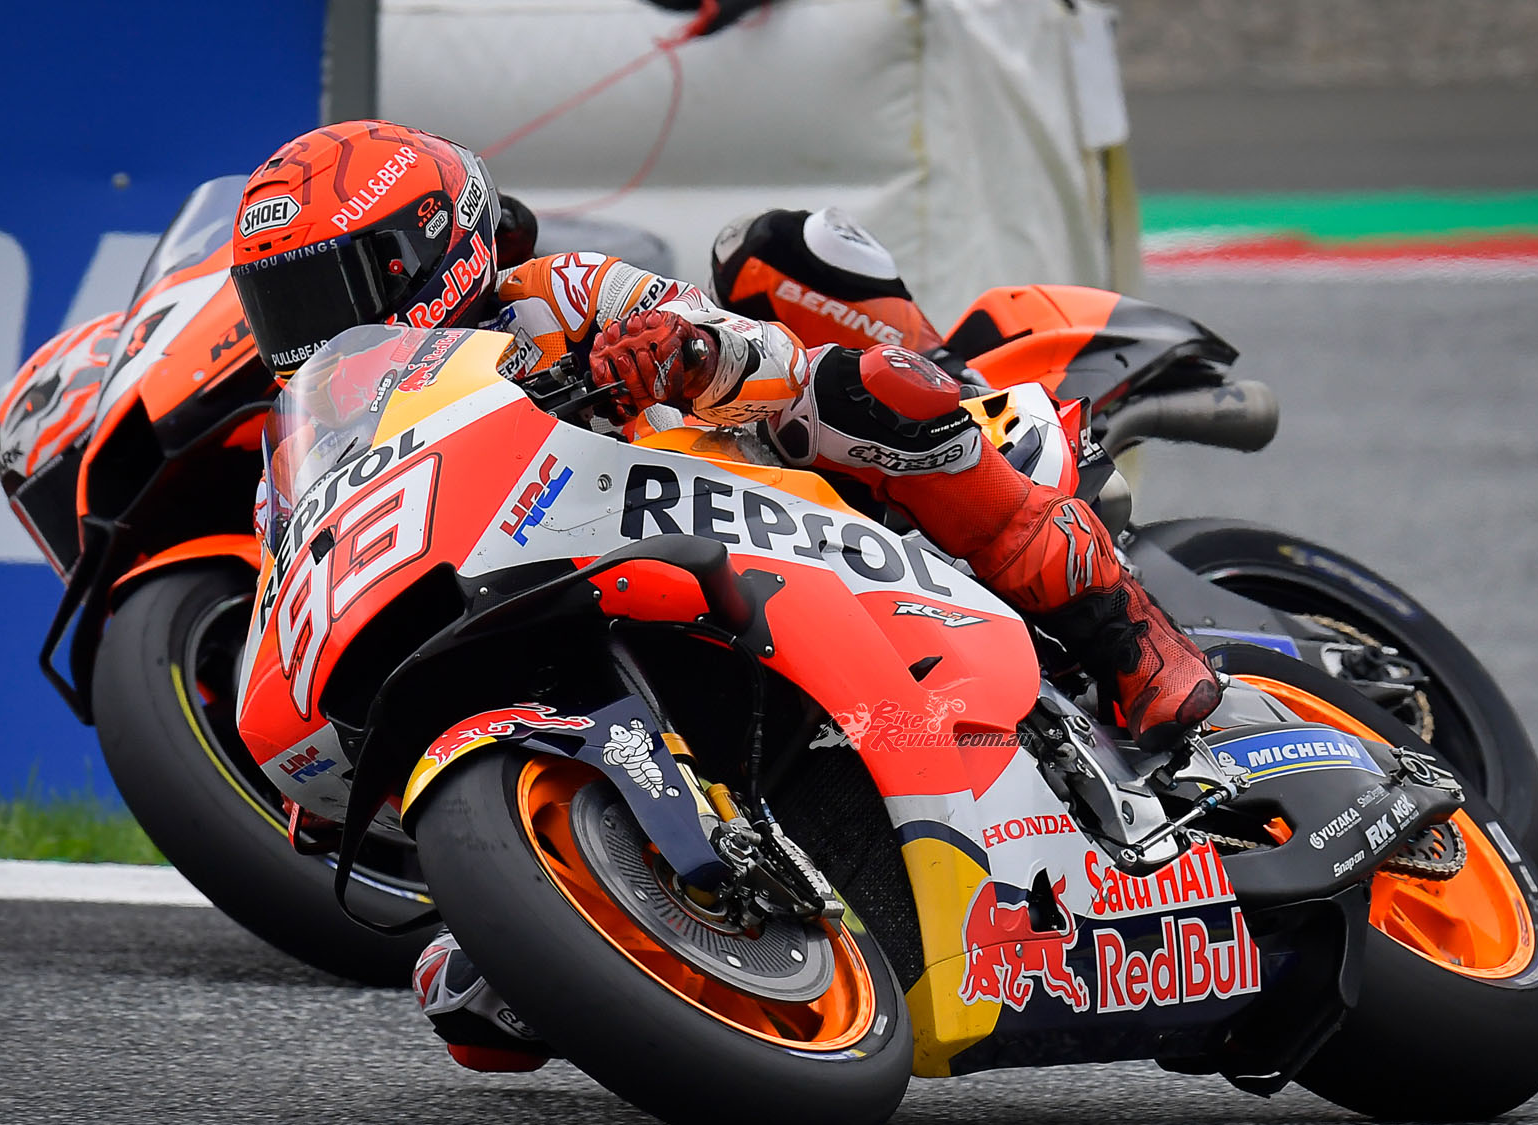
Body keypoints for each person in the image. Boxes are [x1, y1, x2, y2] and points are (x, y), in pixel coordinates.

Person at [230, 120, 1221, 1073]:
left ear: (427, 249)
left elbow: (748, 347)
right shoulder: (304, 449)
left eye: (332, 289)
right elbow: (290, 582)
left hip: (756, 499)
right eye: (282, 305)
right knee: (477, 1008)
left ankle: (1124, 627)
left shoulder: (552, 292)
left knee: (872, 386)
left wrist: (683, 351)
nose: (313, 328)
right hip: (579, 602)